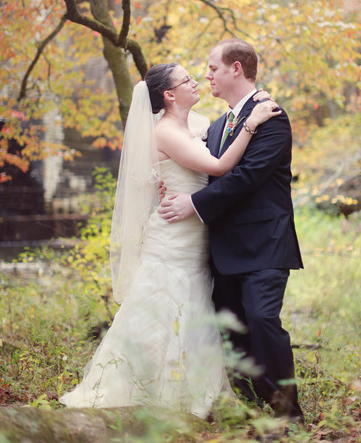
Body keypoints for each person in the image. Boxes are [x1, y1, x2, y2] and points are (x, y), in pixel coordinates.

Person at [60, 62, 280, 417]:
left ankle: (193, 390)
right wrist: (253, 125)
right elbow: (220, 166)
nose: (196, 82)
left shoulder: (197, 123)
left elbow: (224, 131)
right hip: (173, 233)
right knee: (162, 305)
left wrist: (255, 102)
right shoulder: (164, 132)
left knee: (195, 308)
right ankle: (145, 386)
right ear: (168, 94)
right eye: (187, 80)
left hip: (199, 233)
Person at [158, 39, 304, 420]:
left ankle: (287, 415)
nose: (207, 76)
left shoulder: (271, 115)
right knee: (230, 329)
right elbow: (200, 169)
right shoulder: (218, 125)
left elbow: (247, 176)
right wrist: (171, 187)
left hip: (264, 245)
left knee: (262, 320)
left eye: (212, 68)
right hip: (220, 249)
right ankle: (253, 408)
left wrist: (194, 203)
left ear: (236, 69)